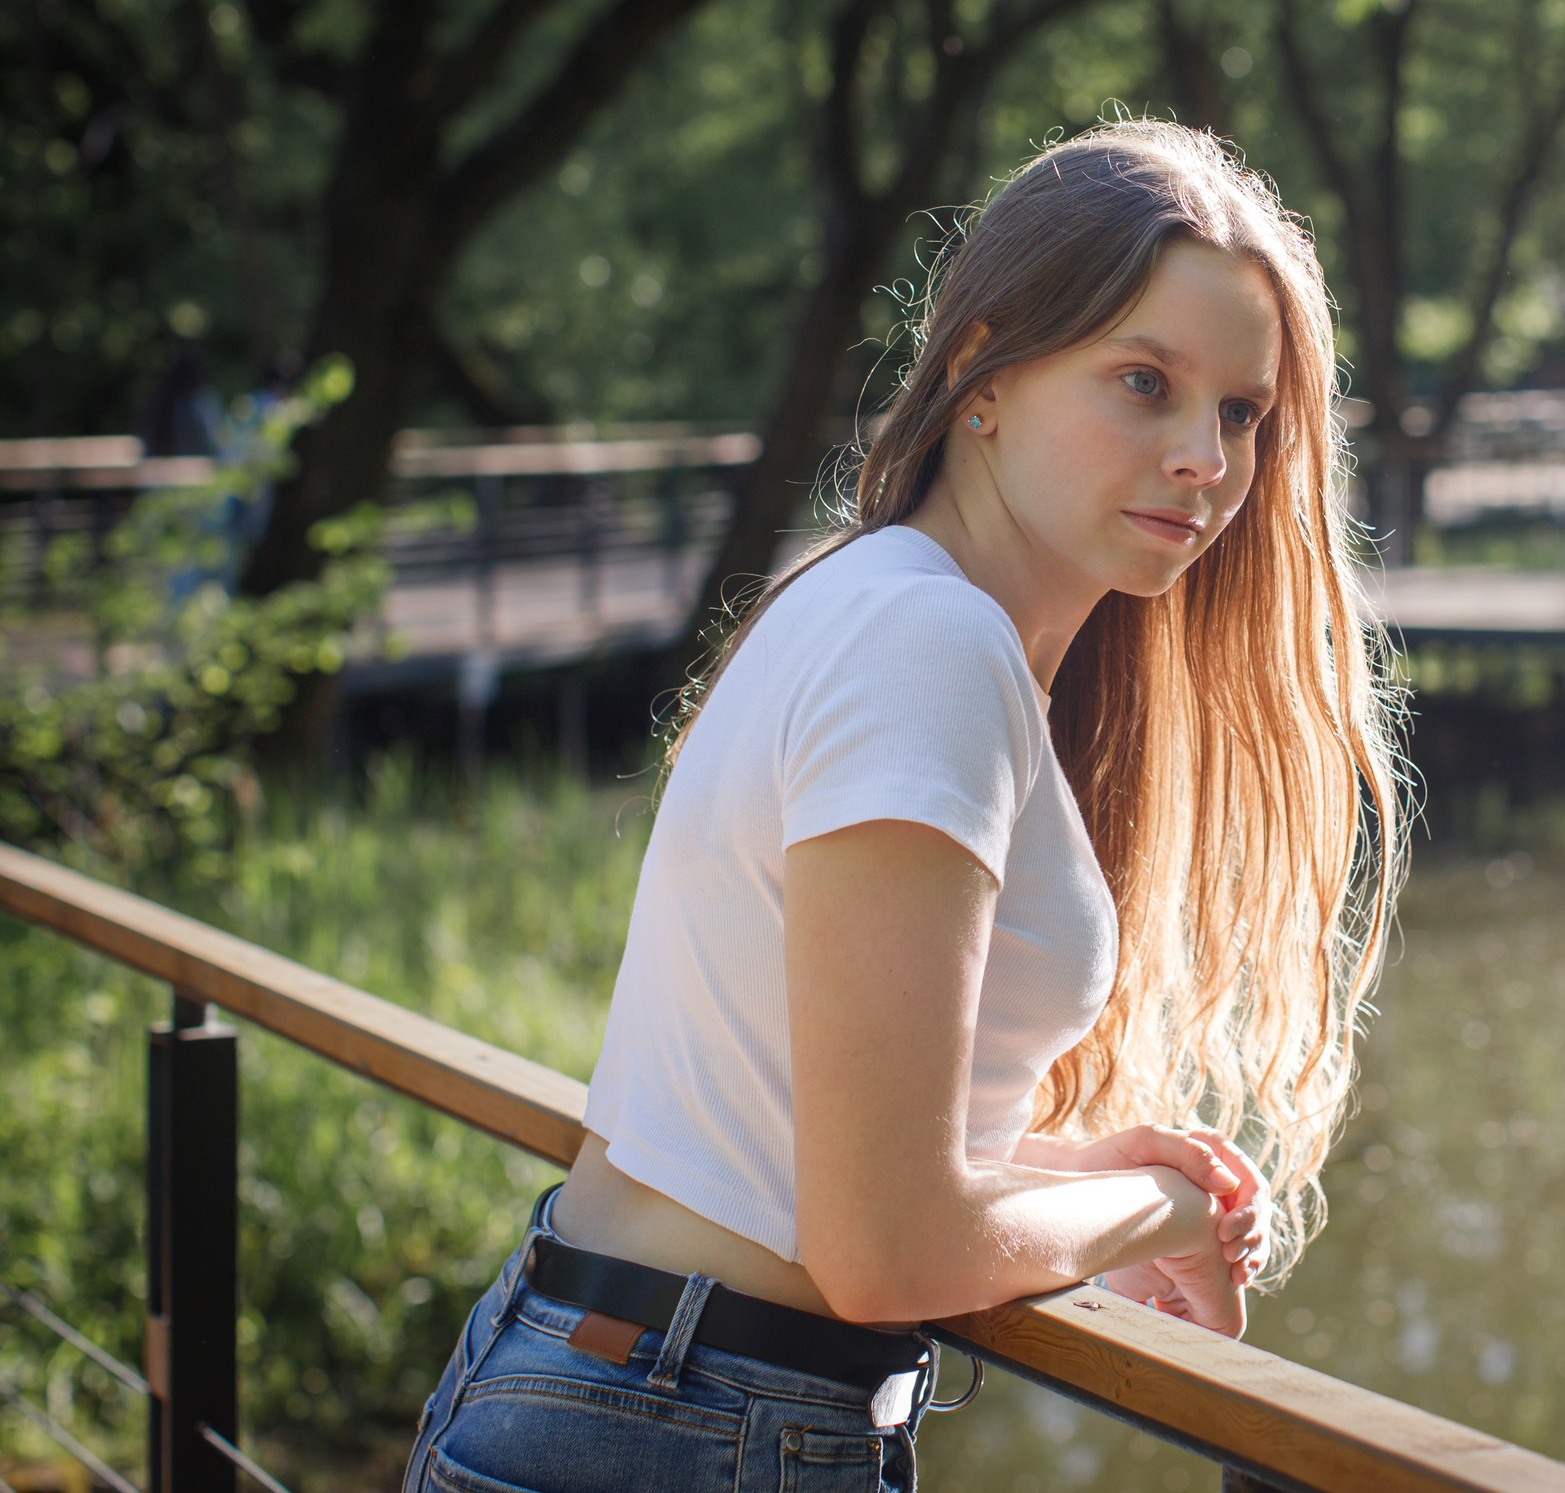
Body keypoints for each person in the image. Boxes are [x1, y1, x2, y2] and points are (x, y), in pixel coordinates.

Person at [402, 121, 1407, 1493]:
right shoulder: (928, 645)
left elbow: (796, 1125)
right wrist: (1158, 1205)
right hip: (687, 1426)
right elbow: (886, 1250)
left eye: (1241, 411)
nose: (1205, 458)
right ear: (982, 373)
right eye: (1143, 381)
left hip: (617, 1382)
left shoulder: (878, 600)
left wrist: (1061, 1164)